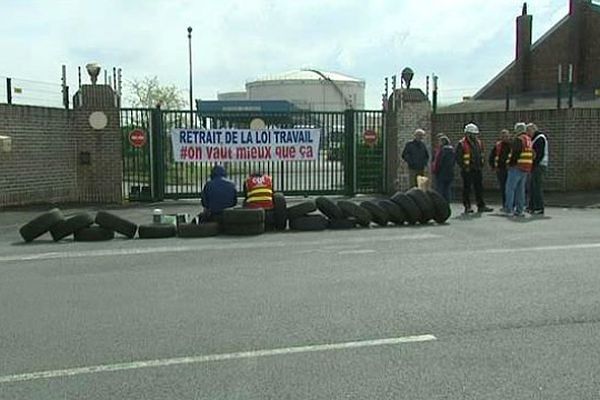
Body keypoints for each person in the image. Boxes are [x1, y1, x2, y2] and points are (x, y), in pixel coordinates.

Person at [455, 123, 493, 213]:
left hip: (477, 168)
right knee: (467, 188)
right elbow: (458, 157)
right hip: (467, 169)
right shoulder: (462, 144)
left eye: (475, 134)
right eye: (473, 134)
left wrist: (481, 164)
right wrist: (464, 167)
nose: (475, 135)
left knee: (479, 187)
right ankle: (467, 206)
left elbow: (481, 154)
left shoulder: (478, 142)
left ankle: (481, 205)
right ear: (467, 133)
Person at [504, 122, 534, 217]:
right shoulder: (528, 139)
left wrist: (510, 164)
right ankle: (520, 210)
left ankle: (509, 209)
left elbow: (515, 153)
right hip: (526, 167)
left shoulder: (519, 139)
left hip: (517, 166)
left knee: (510, 189)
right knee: (520, 190)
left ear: (518, 130)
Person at [527, 123, 548, 215]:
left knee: (537, 187)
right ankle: (531, 206)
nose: (528, 133)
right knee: (532, 187)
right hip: (535, 165)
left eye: (529, 131)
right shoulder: (534, 139)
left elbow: (539, 154)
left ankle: (539, 207)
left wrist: (533, 165)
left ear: (533, 130)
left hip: (539, 165)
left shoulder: (540, 138)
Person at [488, 129, 512, 210]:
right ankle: (505, 203)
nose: (504, 137)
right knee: (503, 188)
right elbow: (492, 156)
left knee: (511, 188)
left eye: (506, 136)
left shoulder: (512, 145)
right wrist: (493, 166)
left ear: (509, 136)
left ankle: (511, 204)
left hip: (510, 169)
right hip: (500, 169)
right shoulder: (498, 145)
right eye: (503, 136)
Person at [431, 134, 454, 202]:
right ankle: (447, 202)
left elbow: (439, 162)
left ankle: (439, 203)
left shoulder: (441, 151)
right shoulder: (451, 150)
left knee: (440, 189)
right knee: (447, 189)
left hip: (441, 173)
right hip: (450, 173)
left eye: (439, 141)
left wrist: (436, 170)